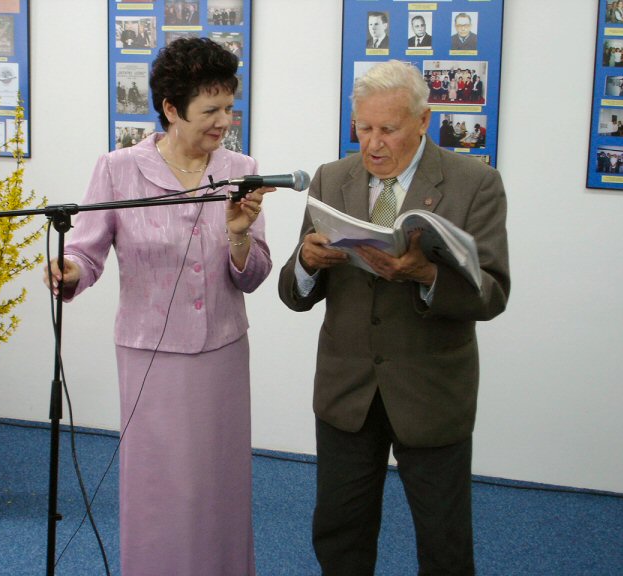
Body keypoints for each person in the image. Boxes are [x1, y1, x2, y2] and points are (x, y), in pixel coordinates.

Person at [44, 37, 273, 576]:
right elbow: (86, 248)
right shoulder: (119, 168)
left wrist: (239, 236)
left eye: (229, 107)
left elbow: (256, 272)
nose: (224, 122)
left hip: (221, 349)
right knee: (160, 485)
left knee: (219, 483)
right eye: (209, 110)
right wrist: (71, 269)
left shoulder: (242, 167)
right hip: (150, 353)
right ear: (171, 109)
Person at [278, 60, 510, 575]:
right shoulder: (330, 179)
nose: (373, 143)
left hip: (430, 391)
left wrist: (426, 275)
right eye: (363, 128)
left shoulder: (476, 183)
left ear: (423, 121)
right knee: (340, 533)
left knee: (444, 540)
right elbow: (293, 293)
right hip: (347, 390)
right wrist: (308, 264)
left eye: (389, 129)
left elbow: (492, 294)